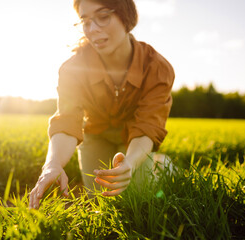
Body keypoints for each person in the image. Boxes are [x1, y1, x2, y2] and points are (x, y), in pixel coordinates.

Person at [29, 0, 175, 209]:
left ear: (126, 17)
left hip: (134, 138)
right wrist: (52, 165)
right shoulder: (72, 68)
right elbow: (68, 120)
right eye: (85, 21)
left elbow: (147, 127)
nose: (93, 29)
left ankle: (163, 164)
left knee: (141, 196)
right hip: (95, 135)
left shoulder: (157, 67)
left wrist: (131, 163)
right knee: (101, 200)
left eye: (103, 16)